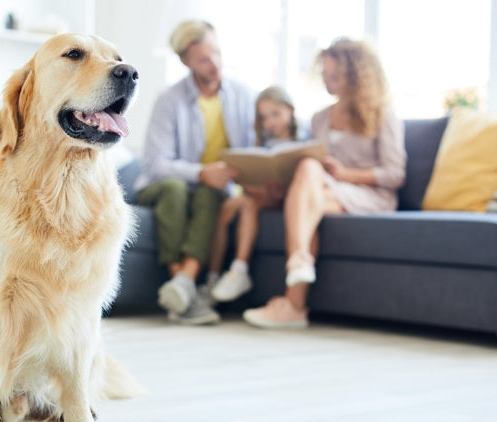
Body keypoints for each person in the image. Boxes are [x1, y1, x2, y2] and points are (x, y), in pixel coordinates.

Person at [242, 37, 406, 329]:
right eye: (325, 76)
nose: (328, 82)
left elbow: (395, 174)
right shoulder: (320, 118)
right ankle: (296, 285)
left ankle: (293, 297)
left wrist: (345, 174)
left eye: (335, 76)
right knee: (307, 172)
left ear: (356, 76)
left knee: (306, 191)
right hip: (327, 190)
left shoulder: (383, 114)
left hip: (371, 195)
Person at [134, 20, 256, 325]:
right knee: (177, 189)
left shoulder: (243, 96)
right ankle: (184, 286)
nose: (214, 63)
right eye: (203, 58)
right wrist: (202, 172)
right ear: (185, 61)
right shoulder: (169, 100)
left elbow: (255, 149)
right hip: (161, 186)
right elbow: (155, 164)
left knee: (211, 193)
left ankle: (182, 288)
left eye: (216, 52)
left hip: (213, 189)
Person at [208, 86, 307, 302]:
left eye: (275, 114)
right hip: (266, 195)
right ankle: (214, 277)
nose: (270, 122)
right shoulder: (263, 144)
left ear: (290, 110)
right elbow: (252, 185)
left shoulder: (305, 138)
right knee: (228, 206)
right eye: (264, 118)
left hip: (293, 198)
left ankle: (238, 270)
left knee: (248, 204)